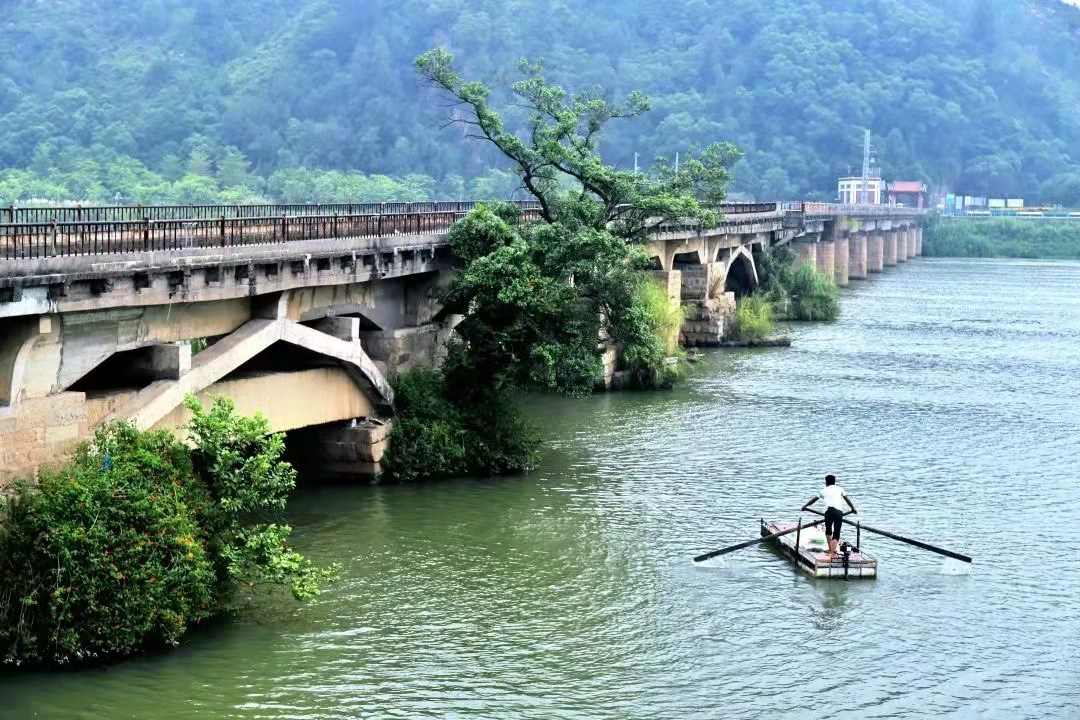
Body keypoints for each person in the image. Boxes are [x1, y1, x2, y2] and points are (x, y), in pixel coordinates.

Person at [801, 474, 857, 560]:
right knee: (836, 532)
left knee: (828, 530)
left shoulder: (823, 490)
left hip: (828, 512)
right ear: (834, 482)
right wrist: (853, 508)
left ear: (826, 482)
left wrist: (805, 506)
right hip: (838, 513)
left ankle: (831, 550)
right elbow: (847, 500)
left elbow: (813, 500)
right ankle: (833, 551)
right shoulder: (840, 489)